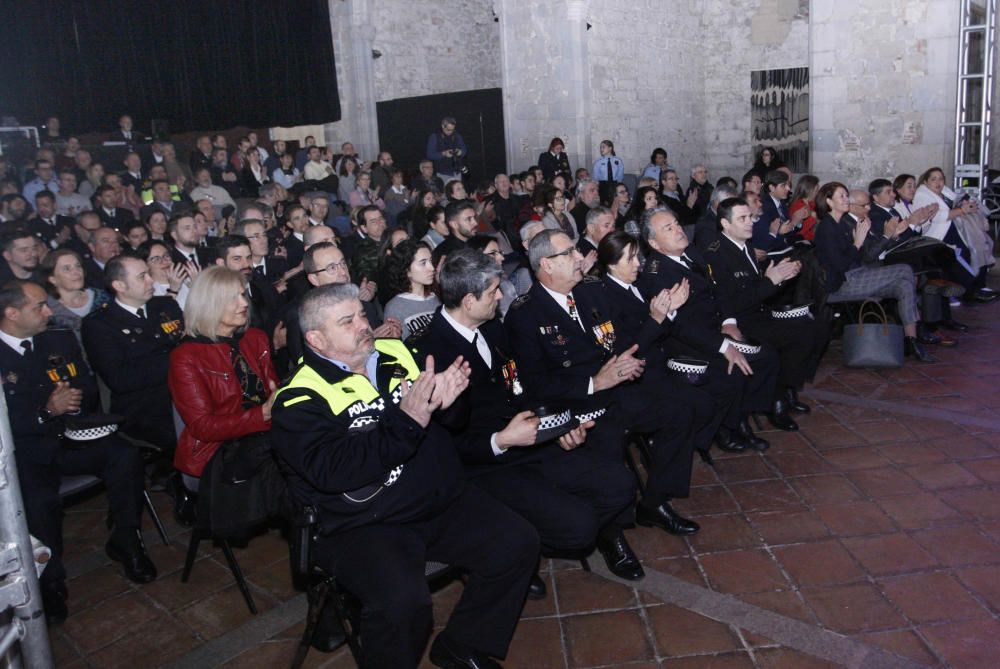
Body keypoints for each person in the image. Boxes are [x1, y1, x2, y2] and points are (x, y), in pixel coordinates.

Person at [270, 282, 538, 669]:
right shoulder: (299, 398)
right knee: (404, 606)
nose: (364, 325)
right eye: (348, 321)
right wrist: (408, 419)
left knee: (518, 543)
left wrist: (450, 403)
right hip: (368, 524)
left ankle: (463, 645)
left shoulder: (396, 352)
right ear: (316, 338)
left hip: (437, 498)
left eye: (362, 314)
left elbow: (447, 422)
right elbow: (335, 470)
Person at [411, 249, 640, 589]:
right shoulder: (430, 354)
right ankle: (519, 550)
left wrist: (560, 425)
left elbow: (524, 389)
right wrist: (500, 441)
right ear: (470, 301)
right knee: (577, 528)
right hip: (485, 465)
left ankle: (532, 536)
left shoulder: (492, 331)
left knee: (619, 485)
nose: (501, 296)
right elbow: (442, 444)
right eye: (493, 292)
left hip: (530, 441)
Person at [505, 229, 705, 536]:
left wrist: (624, 365)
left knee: (682, 408)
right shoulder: (525, 314)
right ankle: (611, 533)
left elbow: (614, 344)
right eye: (568, 253)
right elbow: (533, 387)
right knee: (608, 448)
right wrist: (593, 384)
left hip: (614, 392)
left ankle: (655, 502)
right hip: (575, 406)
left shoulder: (592, 292)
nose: (578, 257)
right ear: (546, 264)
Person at [1, 280, 155, 623]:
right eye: (38, 307)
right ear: (11, 314)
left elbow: (85, 386)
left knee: (123, 454)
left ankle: (127, 539)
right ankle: (50, 580)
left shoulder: (58, 339)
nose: (48, 311)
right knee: (39, 502)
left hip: (71, 436)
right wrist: (46, 411)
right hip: (24, 451)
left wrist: (69, 407)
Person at [638, 208, 780, 451]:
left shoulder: (692, 252)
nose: (678, 230)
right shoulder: (656, 274)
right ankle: (723, 430)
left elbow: (719, 289)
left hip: (715, 328)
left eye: (676, 223)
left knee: (766, 357)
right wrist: (724, 346)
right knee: (733, 370)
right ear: (654, 243)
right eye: (668, 229)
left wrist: (729, 322)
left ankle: (738, 416)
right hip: (688, 343)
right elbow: (681, 327)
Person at [703, 198, 829, 427]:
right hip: (739, 321)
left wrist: (781, 278)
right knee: (794, 337)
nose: (749, 222)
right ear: (725, 223)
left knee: (816, 325)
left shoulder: (746, 246)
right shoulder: (717, 253)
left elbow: (758, 290)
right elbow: (731, 301)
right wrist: (771, 282)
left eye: (750, 217)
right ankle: (776, 399)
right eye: (742, 218)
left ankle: (787, 387)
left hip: (759, 312)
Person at [168, 267, 280, 482]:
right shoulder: (186, 356)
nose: (244, 303)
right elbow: (203, 428)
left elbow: (272, 392)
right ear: (209, 304)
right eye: (233, 298)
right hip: (218, 452)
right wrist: (262, 415)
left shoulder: (255, 338)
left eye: (242, 294)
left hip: (265, 437)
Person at [813, 182, 933, 361]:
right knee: (905, 270)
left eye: (846, 195)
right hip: (841, 284)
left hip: (857, 276)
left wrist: (890, 235)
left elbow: (865, 257)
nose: (845, 199)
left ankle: (911, 339)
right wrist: (857, 243)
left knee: (904, 284)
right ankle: (920, 326)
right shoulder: (827, 227)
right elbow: (840, 265)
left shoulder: (841, 223)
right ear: (829, 202)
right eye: (842, 197)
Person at [82, 254, 184, 454]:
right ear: (119, 285)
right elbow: (121, 379)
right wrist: (178, 360)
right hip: (145, 407)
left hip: (183, 391)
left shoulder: (164, 306)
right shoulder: (99, 324)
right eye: (142, 276)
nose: (150, 280)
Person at [913, 166, 997, 302]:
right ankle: (971, 291)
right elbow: (937, 217)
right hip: (938, 236)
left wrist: (966, 204)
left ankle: (977, 286)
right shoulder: (922, 195)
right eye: (933, 179)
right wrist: (962, 210)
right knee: (960, 255)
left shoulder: (944, 191)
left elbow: (957, 202)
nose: (938, 182)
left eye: (940, 179)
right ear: (925, 182)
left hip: (954, 229)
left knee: (978, 245)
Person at [40, 248, 110, 344]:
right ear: (53, 279)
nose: (76, 272)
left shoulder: (102, 298)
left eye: (78, 266)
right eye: (67, 269)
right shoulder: (47, 310)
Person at [383, 240, 440, 341]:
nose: (432, 268)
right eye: (423, 263)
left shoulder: (436, 298)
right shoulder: (395, 307)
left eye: (431, 261)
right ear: (407, 270)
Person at [138, 239, 191, 307]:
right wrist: (173, 290)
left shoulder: (187, 280)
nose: (164, 261)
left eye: (166, 255)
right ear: (145, 264)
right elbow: (161, 314)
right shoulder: (147, 291)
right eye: (156, 259)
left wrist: (197, 286)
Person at [427, 116, 468, 183]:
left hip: (457, 172)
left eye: (452, 129)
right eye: (448, 130)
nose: (451, 132)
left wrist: (460, 152)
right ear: (443, 126)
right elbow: (430, 155)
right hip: (443, 173)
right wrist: (444, 154)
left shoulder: (457, 135)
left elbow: (464, 150)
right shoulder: (434, 136)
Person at [788, 175, 820, 241]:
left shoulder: (811, 202)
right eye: (816, 190)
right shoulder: (799, 206)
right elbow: (800, 232)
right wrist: (814, 217)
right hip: (805, 242)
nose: (818, 193)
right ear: (809, 190)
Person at [592, 140, 624, 205]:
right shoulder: (598, 162)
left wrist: (618, 185)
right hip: (603, 185)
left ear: (610, 148)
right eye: (600, 147)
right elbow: (595, 177)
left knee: (615, 204)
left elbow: (620, 175)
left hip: (615, 184)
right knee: (603, 205)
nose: (601, 149)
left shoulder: (618, 160)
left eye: (603, 147)